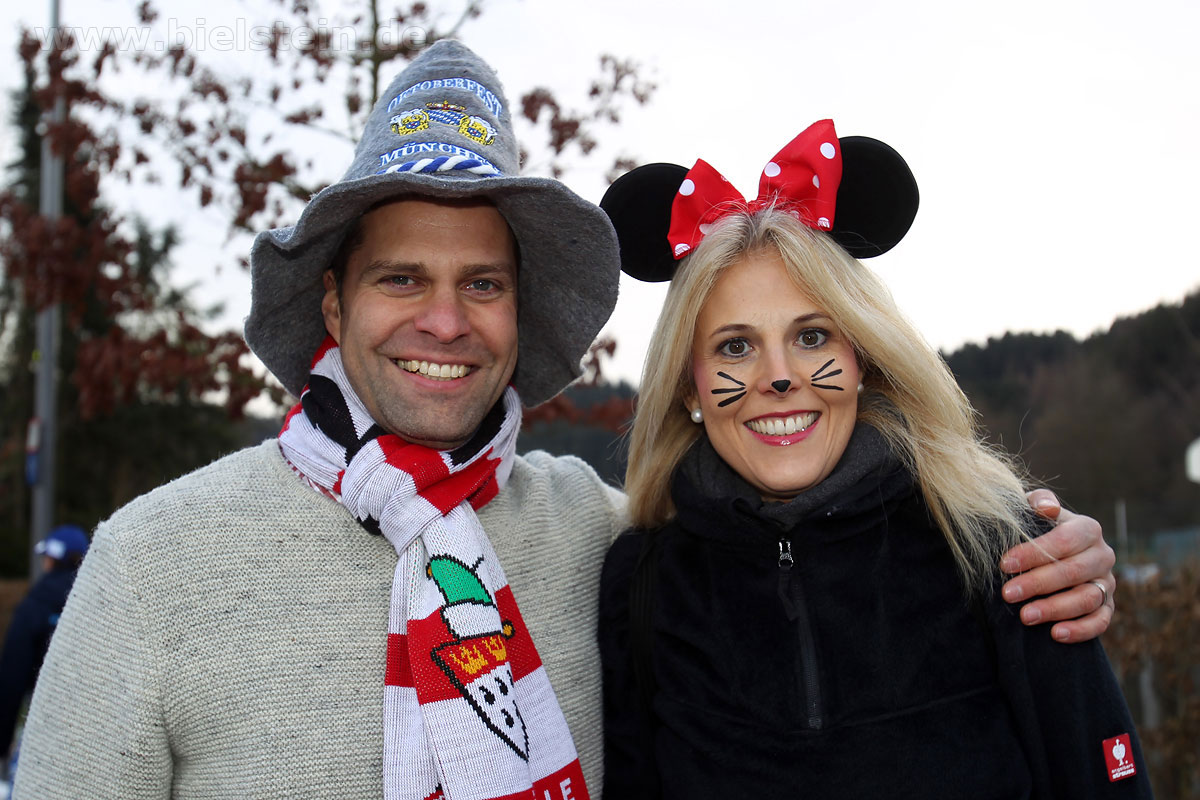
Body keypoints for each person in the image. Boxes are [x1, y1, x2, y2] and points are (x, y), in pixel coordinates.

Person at [14, 42, 1113, 799]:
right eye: (402, 278)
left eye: (483, 284)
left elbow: (794, 540)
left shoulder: (600, 538)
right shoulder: (154, 563)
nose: (445, 320)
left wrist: (1045, 545)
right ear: (334, 305)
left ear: (521, 313)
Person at [597, 121, 1150, 798]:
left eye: (812, 336)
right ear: (688, 386)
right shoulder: (641, 587)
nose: (779, 376)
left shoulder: (1002, 553)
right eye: (735, 347)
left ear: (863, 358)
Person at [0, 526, 89, 773]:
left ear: (52, 559)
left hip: (43, 724)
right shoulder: (98, 602)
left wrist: (2, 741)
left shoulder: (34, 605)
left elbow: (12, 677)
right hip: (94, 729)